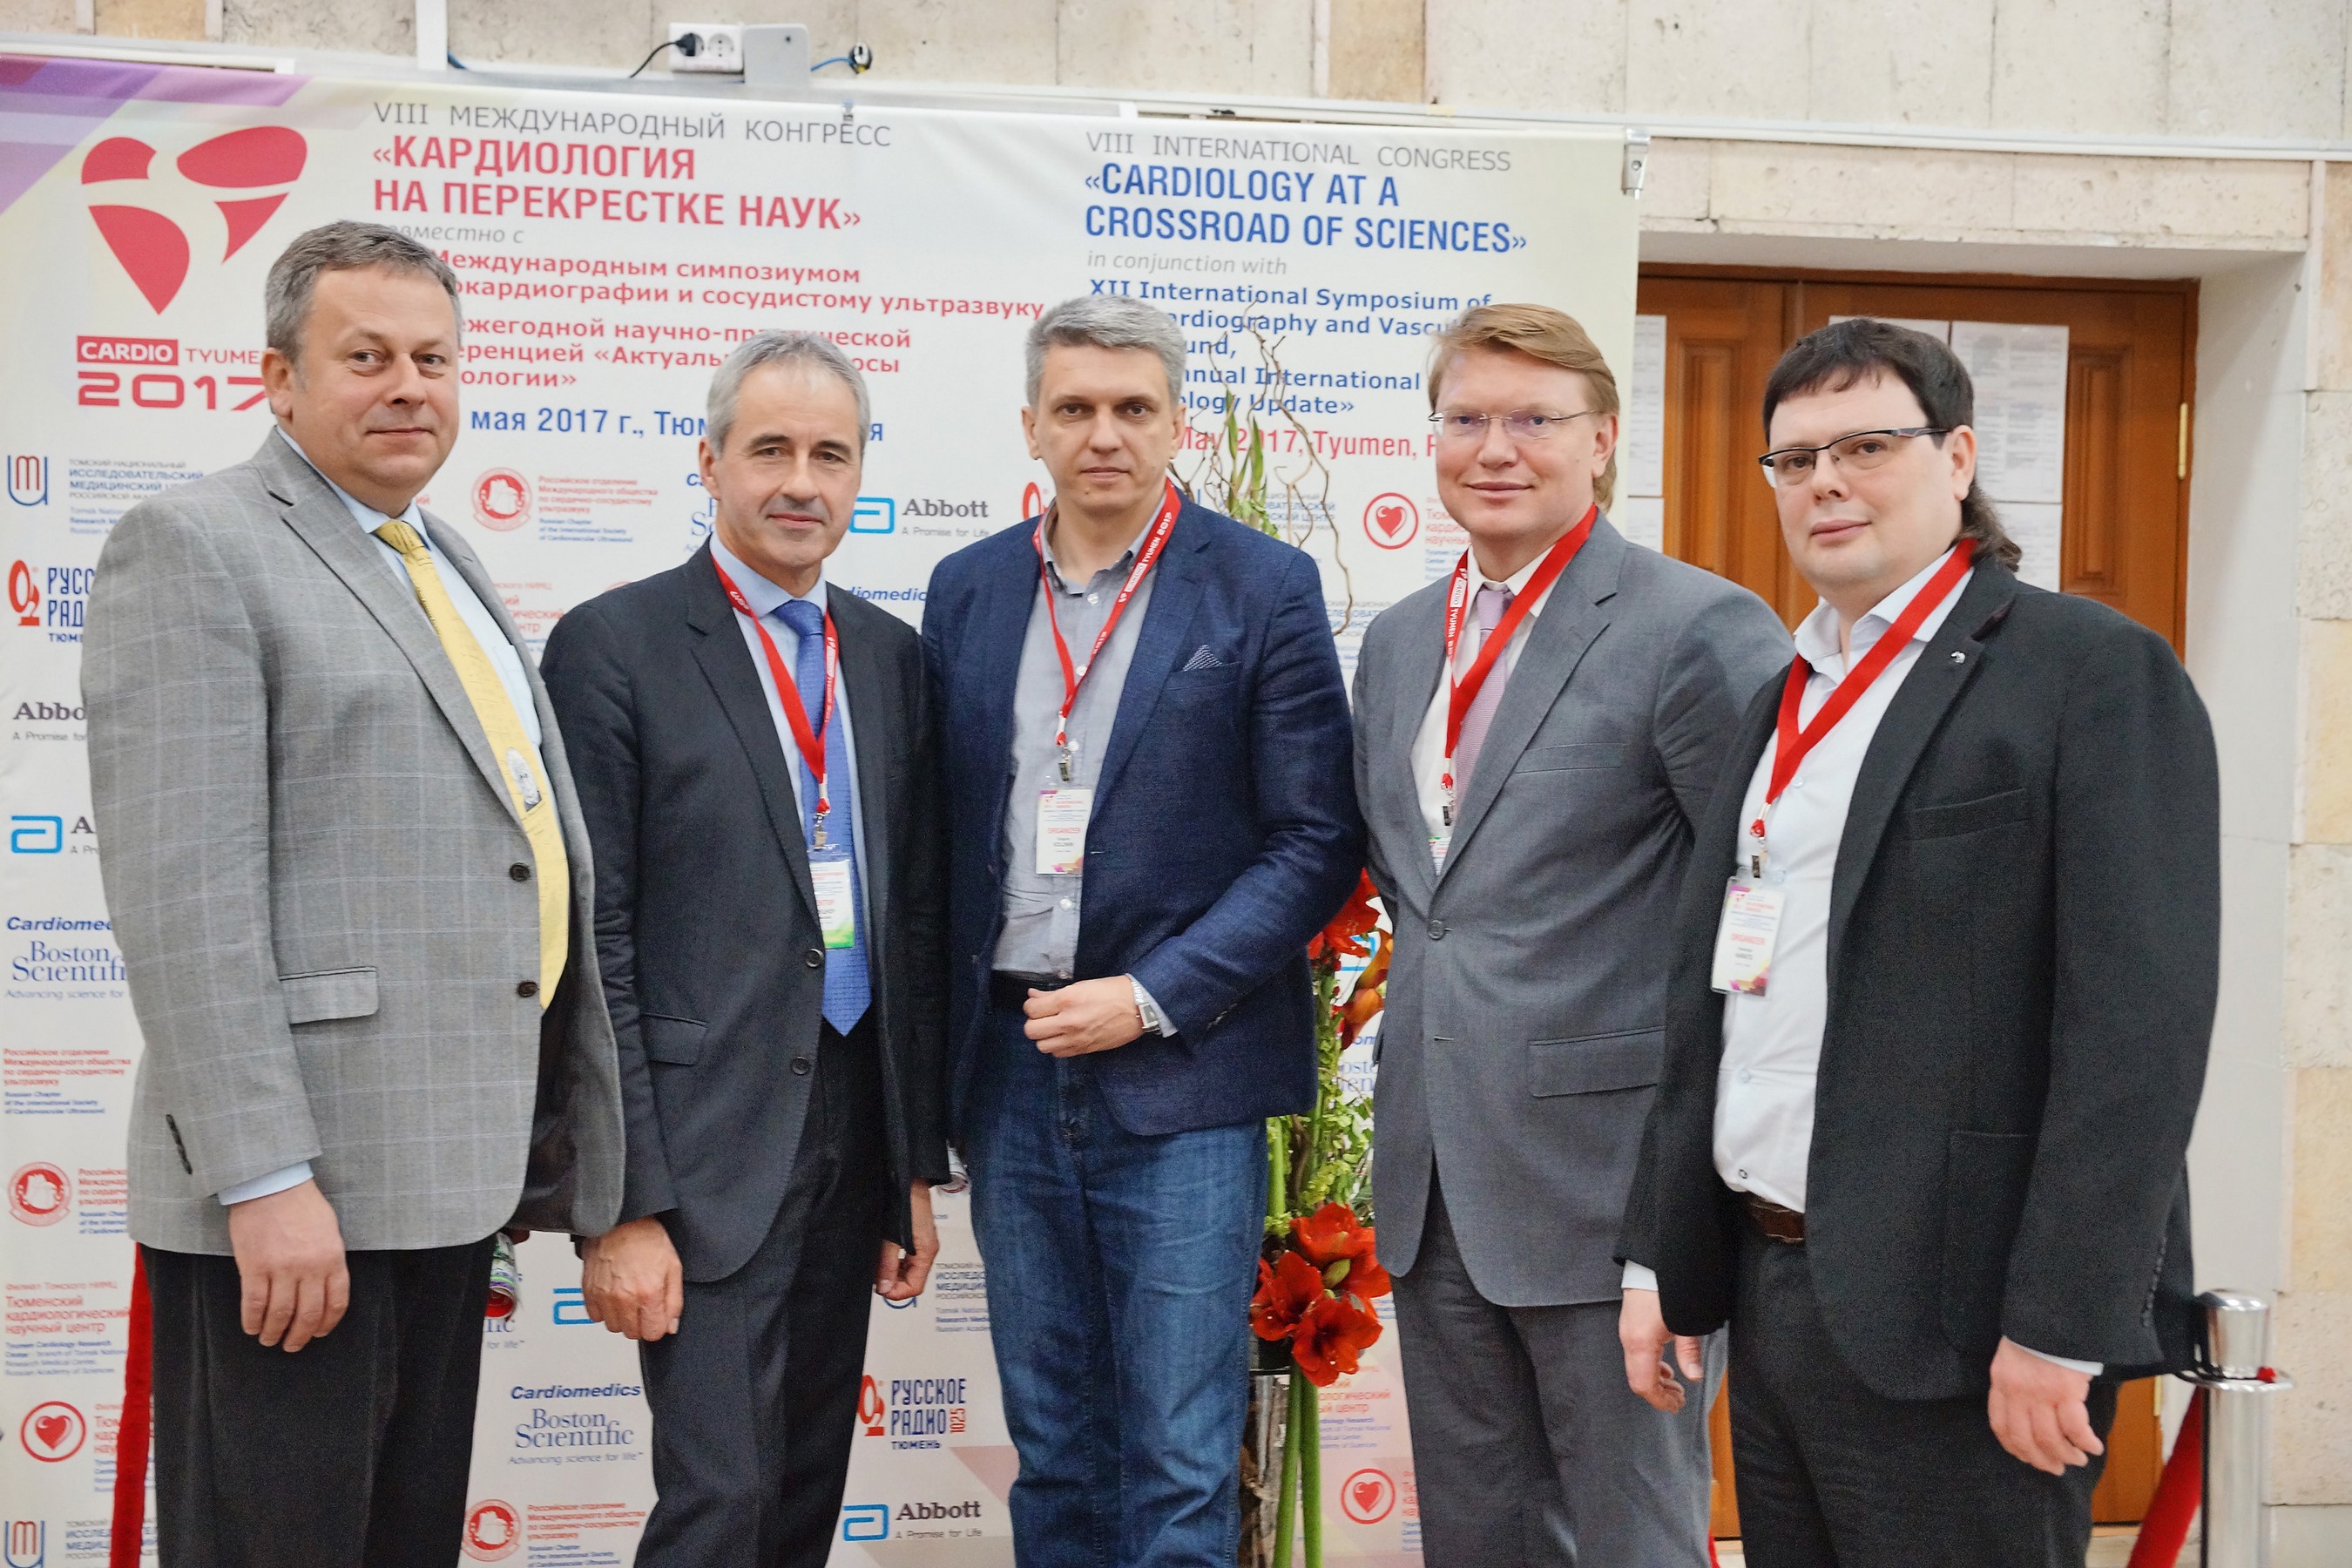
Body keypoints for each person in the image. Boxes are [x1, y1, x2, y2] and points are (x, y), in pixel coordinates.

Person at [1618, 317, 2217, 1566]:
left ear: (1957, 458)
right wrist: (1662, 1258)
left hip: (1967, 1316)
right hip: (1775, 1281)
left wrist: (2061, 1323)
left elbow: (2137, 1037)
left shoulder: (2088, 673)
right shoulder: (1787, 693)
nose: (1826, 483)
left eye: (1866, 446)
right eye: (1796, 460)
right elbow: (1715, 997)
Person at [81, 221, 624, 1568]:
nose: (408, 388)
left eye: (433, 359)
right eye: (366, 357)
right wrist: (265, 1179)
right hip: (298, 1203)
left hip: (444, 1188)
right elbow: (184, 902)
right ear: (279, 377)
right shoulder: (196, 545)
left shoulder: (439, 555)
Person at [921, 295, 1364, 1567]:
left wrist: (1152, 994)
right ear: (1030, 426)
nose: (1103, 434)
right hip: (1010, 1069)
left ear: (1177, 426)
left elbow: (1313, 841)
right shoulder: (967, 589)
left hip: (1184, 1072)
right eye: (1074, 408)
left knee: (1178, 1461)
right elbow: (941, 834)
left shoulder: (1261, 586)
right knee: (1054, 1445)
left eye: (1132, 408)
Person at [1350, 303, 1789, 1564]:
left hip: (1611, 1195)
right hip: (1435, 1185)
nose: (1496, 449)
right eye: (1467, 419)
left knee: (1631, 1537)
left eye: (1534, 420)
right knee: (1477, 1539)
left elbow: (1760, 906)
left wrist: (1699, 1193)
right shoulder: (1398, 641)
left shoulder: (1697, 628)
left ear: (1602, 439)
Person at [540, 331, 950, 1567]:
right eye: (770, 450)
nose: (800, 483)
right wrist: (622, 1203)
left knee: (803, 1494)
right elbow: (592, 945)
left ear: (862, 471)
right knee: (719, 1502)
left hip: (850, 1132)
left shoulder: (891, 656)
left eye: (832, 454)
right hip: (700, 1151)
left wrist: (907, 1164)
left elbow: (907, 925)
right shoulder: (614, 645)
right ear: (710, 461)